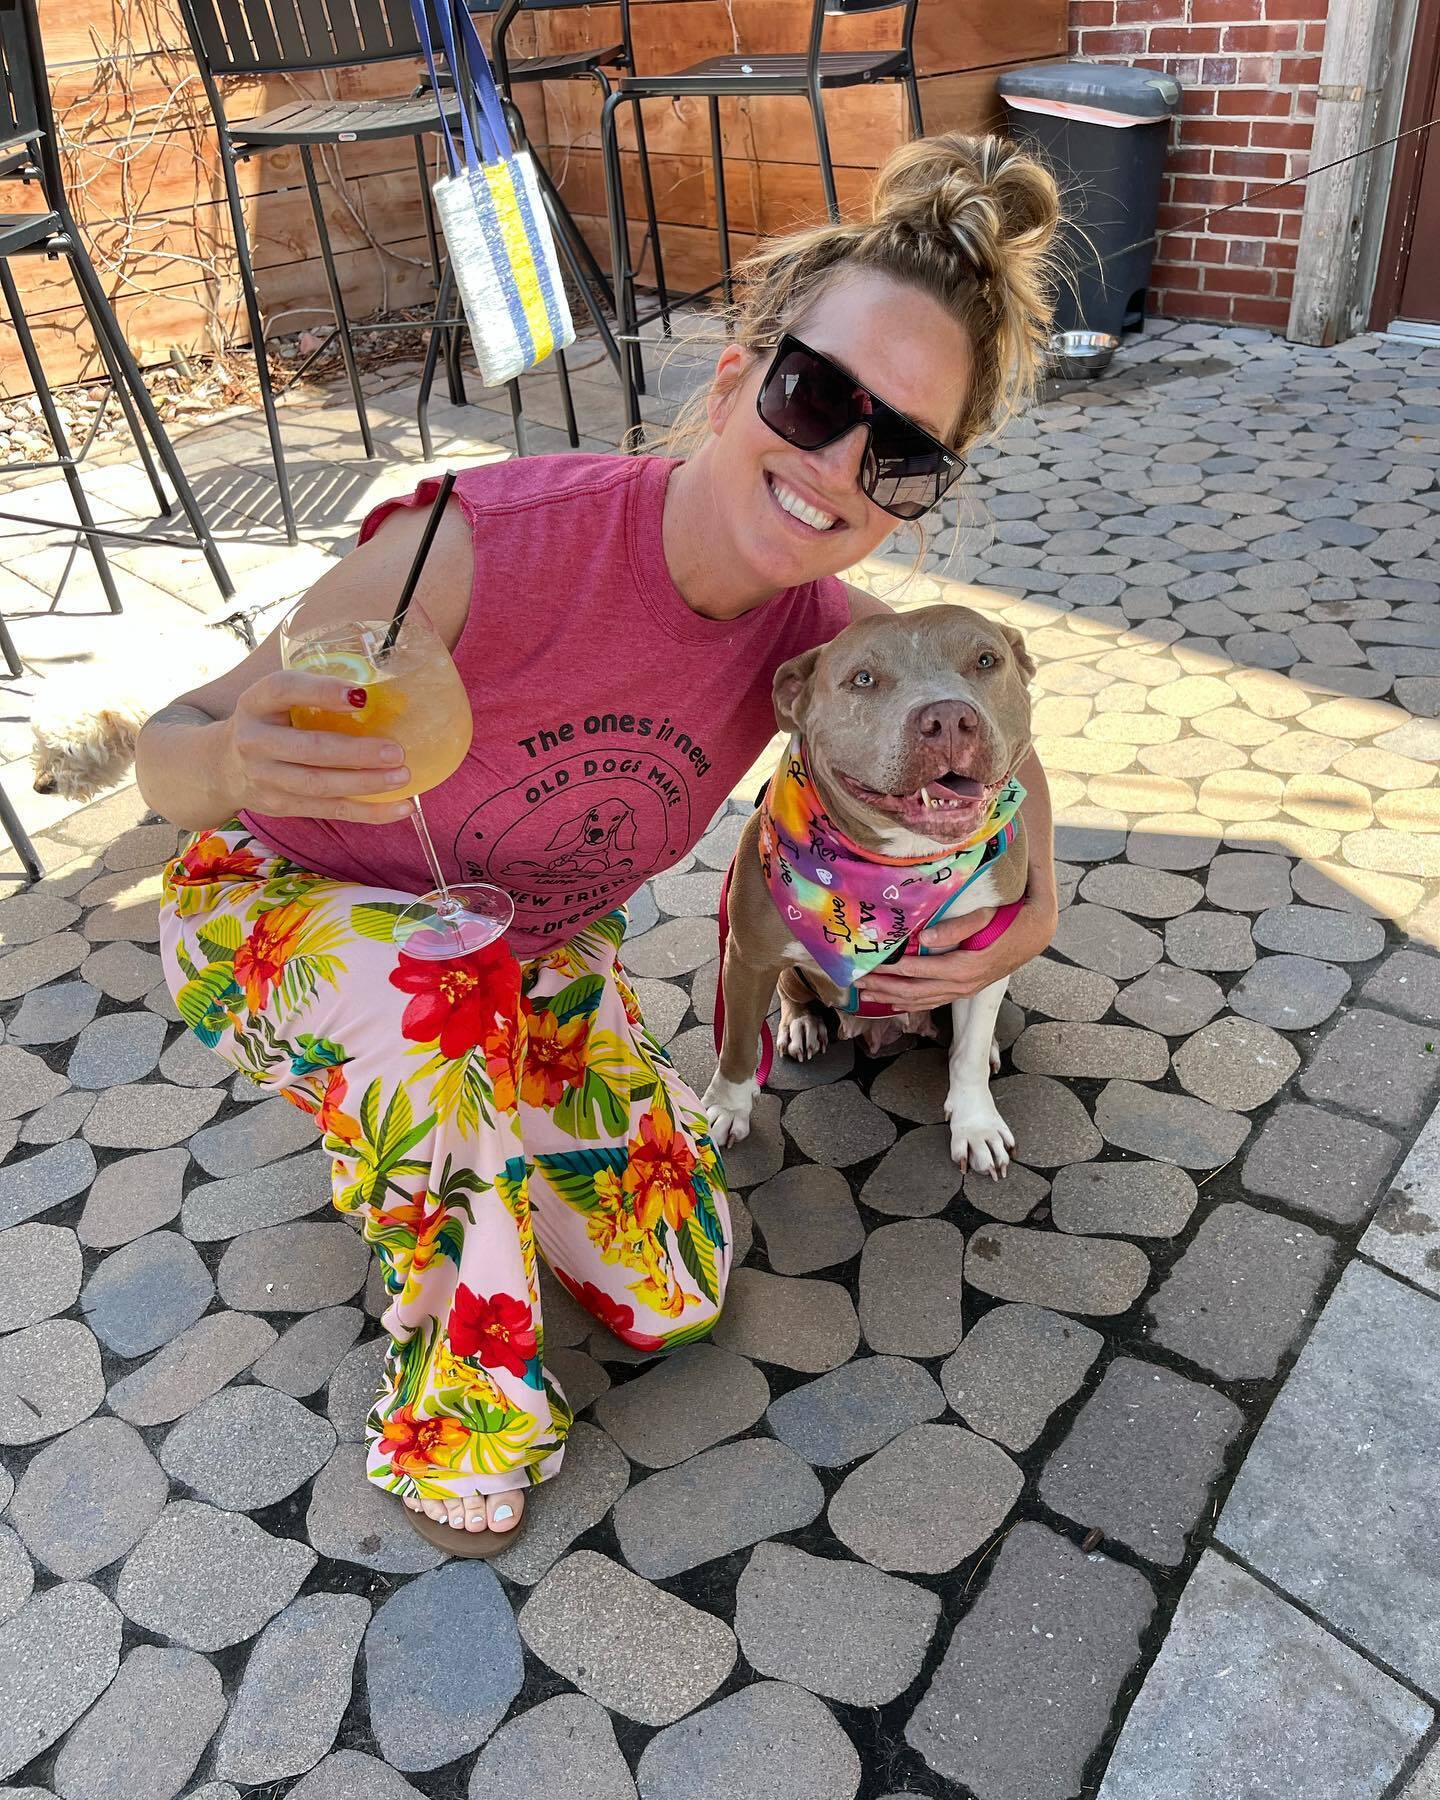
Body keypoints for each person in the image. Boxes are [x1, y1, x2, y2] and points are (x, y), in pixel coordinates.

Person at [141, 131, 1063, 1555]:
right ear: (738, 374)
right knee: (422, 1010)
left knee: (675, 1292)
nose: (836, 465)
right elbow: (171, 745)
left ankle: (451, 1135)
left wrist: (1034, 907)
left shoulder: (831, 647)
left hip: (519, 945)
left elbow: (993, 731)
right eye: (816, 395)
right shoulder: (477, 540)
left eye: (900, 452)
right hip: (280, 899)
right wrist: (227, 755)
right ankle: (454, 1412)